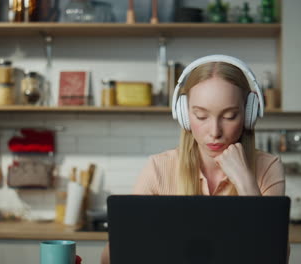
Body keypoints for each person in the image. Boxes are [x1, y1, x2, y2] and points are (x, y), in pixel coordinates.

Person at [100, 55, 286, 264]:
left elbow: (274, 258)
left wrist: (245, 181)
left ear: (249, 113)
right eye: (201, 116)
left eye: (229, 116)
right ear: (184, 115)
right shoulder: (158, 168)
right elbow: (111, 258)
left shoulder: (268, 167)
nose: (215, 132)